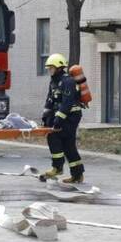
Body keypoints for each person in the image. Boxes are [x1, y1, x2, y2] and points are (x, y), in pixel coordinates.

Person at [40, 53, 85, 184]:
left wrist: (58, 120)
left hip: (71, 116)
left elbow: (67, 103)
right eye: (48, 68)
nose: (49, 70)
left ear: (59, 68)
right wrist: (45, 117)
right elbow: (49, 100)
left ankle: (57, 168)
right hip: (62, 116)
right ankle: (77, 175)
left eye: (51, 68)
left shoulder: (68, 81)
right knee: (68, 145)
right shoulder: (53, 82)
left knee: (54, 137)